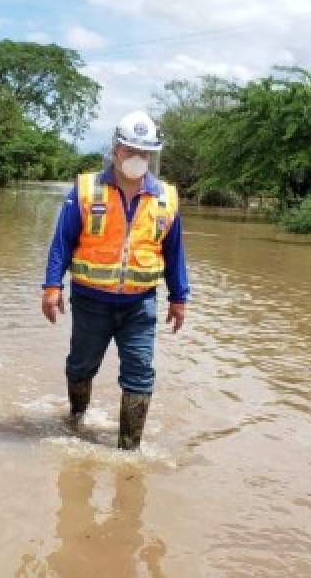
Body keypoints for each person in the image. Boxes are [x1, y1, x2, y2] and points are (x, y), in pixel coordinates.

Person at [41, 111, 189, 450]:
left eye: (144, 152)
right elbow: (62, 241)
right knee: (81, 366)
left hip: (140, 303)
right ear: (115, 149)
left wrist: (179, 297)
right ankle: (77, 418)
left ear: (151, 155)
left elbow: (175, 250)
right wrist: (52, 287)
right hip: (91, 301)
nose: (136, 158)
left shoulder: (166, 198)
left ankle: (129, 450)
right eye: (129, 150)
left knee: (140, 373)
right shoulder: (86, 190)